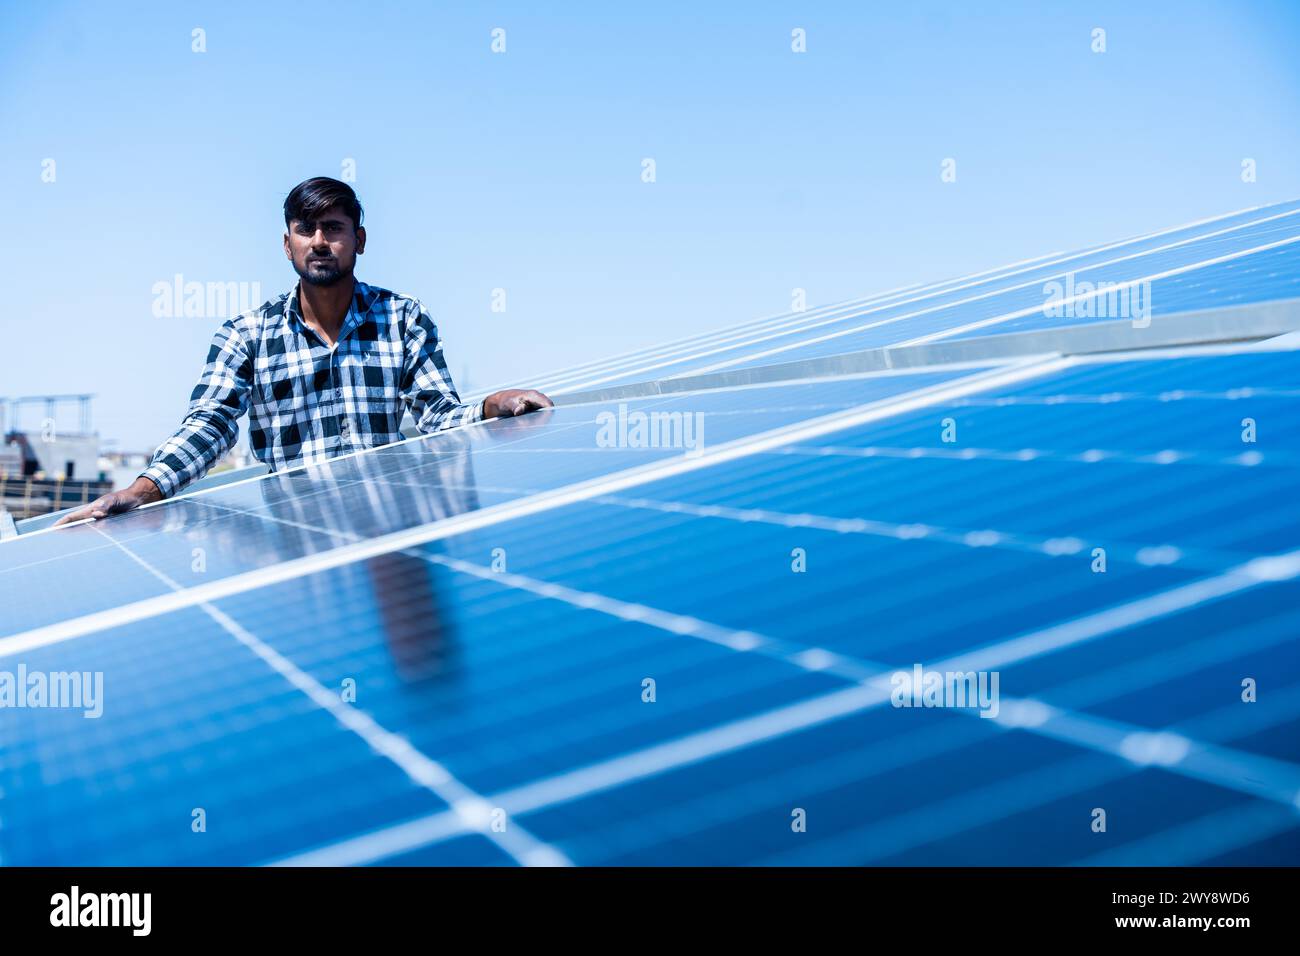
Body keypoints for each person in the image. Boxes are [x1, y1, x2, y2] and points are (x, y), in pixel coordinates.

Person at [56, 177, 552, 526]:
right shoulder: (246, 336)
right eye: (305, 229)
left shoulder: (403, 320)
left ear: (358, 239)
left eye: (334, 228)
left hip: (390, 537)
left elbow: (438, 417)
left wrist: (489, 407)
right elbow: (210, 426)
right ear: (286, 243)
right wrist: (142, 491)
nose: (319, 241)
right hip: (296, 541)